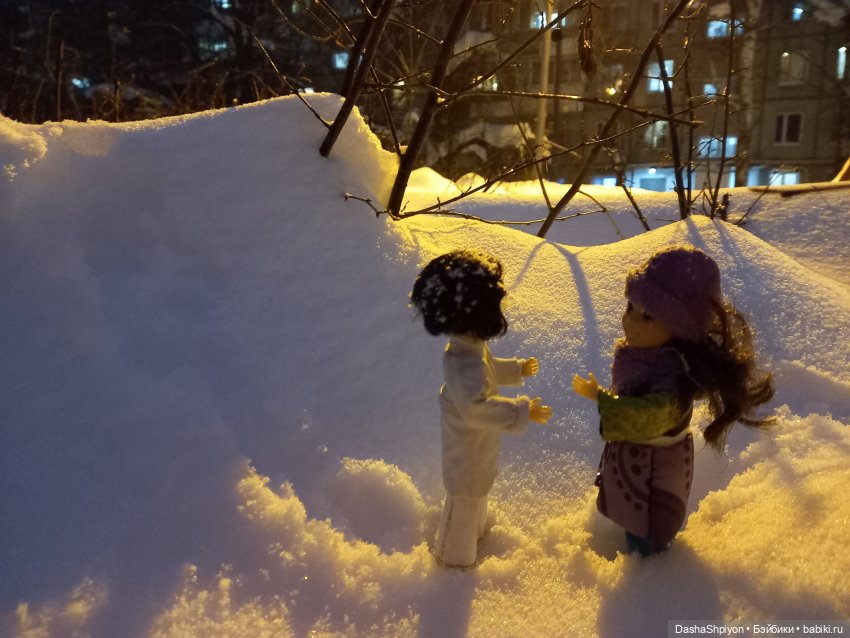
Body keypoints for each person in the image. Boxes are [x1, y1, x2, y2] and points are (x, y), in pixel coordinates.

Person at [573, 245, 774, 556]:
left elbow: (654, 416)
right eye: (630, 307)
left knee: (647, 534)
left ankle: (652, 573)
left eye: (648, 316)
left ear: (681, 328)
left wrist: (603, 399)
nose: (631, 322)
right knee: (634, 524)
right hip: (637, 469)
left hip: (655, 475)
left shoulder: (674, 378)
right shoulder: (644, 362)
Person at [410, 249, 552, 567]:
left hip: (478, 446)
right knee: (463, 502)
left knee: (476, 492)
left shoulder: (471, 351)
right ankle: (454, 559)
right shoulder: (464, 362)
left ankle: (477, 535)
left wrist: (515, 370)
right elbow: (477, 408)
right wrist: (520, 411)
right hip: (466, 448)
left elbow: (487, 370)